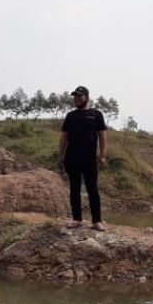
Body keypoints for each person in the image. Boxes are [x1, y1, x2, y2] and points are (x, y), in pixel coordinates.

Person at [58, 85, 108, 230]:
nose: (77, 99)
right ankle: (76, 219)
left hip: (89, 159)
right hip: (72, 158)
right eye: (75, 96)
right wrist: (60, 156)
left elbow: (102, 136)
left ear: (86, 97)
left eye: (80, 96)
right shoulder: (70, 116)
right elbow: (64, 137)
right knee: (74, 189)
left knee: (93, 189)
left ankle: (96, 221)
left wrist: (102, 156)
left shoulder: (96, 114)